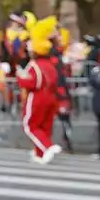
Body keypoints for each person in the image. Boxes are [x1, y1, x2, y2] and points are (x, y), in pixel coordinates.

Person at [18, 16, 62, 165]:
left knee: (30, 126)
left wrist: (20, 78)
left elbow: (33, 82)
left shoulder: (35, 65)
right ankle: (40, 153)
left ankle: (47, 147)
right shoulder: (51, 64)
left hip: (37, 97)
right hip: (51, 97)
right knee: (44, 126)